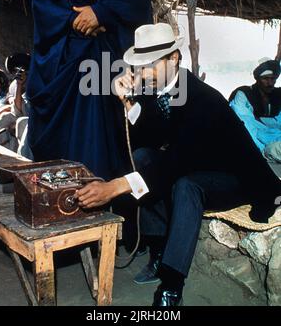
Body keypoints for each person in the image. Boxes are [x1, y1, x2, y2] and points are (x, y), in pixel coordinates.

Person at [75, 23, 281, 306]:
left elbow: (175, 160)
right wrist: (128, 103)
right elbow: (150, 137)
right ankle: (159, 250)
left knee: (186, 185)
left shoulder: (203, 99)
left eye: (150, 66)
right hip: (196, 165)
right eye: (140, 67)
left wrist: (114, 188)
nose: (144, 74)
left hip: (236, 176)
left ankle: (171, 285)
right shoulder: (160, 89)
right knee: (146, 156)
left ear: (174, 58)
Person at [27, 0, 152, 179]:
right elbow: (43, 8)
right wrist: (75, 20)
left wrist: (102, 12)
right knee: (65, 151)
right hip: (67, 70)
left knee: (114, 148)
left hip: (112, 68)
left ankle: (113, 201)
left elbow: (139, 3)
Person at [229, 58, 281, 163]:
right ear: (257, 78)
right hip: (258, 147)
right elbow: (246, 124)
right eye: (265, 79)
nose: (270, 83)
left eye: (273, 79)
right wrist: (261, 151)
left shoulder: (278, 95)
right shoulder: (243, 94)